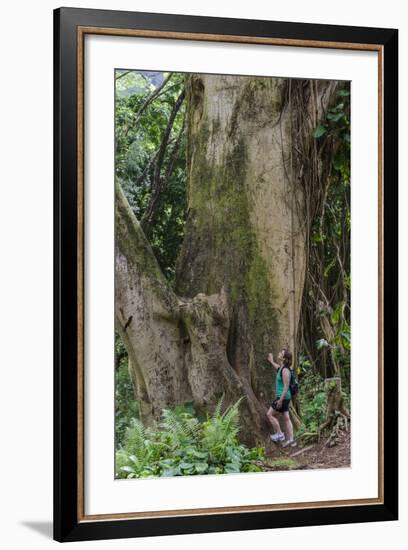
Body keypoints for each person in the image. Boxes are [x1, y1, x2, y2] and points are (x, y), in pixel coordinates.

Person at [266, 348, 296, 447]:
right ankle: (291, 440)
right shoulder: (282, 368)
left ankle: (279, 434)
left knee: (269, 414)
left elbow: (286, 386)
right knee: (287, 418)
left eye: (281, 353)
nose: (279, 353)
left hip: (282, 397)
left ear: (284, 358)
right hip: (285, 397)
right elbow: (277, 368)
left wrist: (280, 400)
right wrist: (271, 361)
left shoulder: (285, 371)